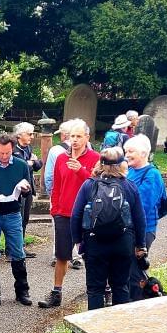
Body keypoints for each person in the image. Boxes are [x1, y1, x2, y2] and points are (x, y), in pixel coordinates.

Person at [72, 148, 146, 309]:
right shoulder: (129, 186)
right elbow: (140, 218)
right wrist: (140, 244)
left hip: (94, 242)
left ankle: (94, 330)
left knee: (95, 289)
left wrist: (78, 241)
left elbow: (76, 215)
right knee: (121, 286)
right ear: (121, 165)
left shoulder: (89, 185)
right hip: (123, 243)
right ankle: (119, 328)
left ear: (100, 163)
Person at [40, 119, 99, 307]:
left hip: (87, 214)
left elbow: (98, 185)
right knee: (62, 255)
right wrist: (55, 209)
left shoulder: (95, 158)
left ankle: (98, 291)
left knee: (92, 254)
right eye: (72, 136)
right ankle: (56, 292)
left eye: (79, 136)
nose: (74, 140)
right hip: (63, 213)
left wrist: (81, 171)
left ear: (87, 138)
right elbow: (56, 186)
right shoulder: (61, 158)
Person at [0, 133, 34, 307]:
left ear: (12, 149)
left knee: (18, 251)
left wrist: (25, 189)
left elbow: (28, 189)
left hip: (13, 212)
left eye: (7, 153)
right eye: (1, 153)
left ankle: (22, 290)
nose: (4, 157)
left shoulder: (21, 165)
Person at [124, 135, 167, 299]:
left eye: (131, 151)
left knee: (135, 271)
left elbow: (143, 205)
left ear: (143, 153)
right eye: (126, 151)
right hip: (127, 228)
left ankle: (140, 303)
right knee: (128, 268)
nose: (126, 154)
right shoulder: (130, 171)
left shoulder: (152, 175)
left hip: (144, 229)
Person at [11, 123, 42, 246]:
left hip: (28, 188)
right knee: (17, 219)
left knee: (25, 219)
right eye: (29, 134)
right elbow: (19, 166)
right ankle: (12, 248)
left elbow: (38, 165)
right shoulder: (13, 149)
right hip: (16, 189)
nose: (32, 136)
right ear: (19, 135)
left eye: (32, 134)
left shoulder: (27, 148)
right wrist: (29, 162)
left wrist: (31, 162)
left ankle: (20, 245)